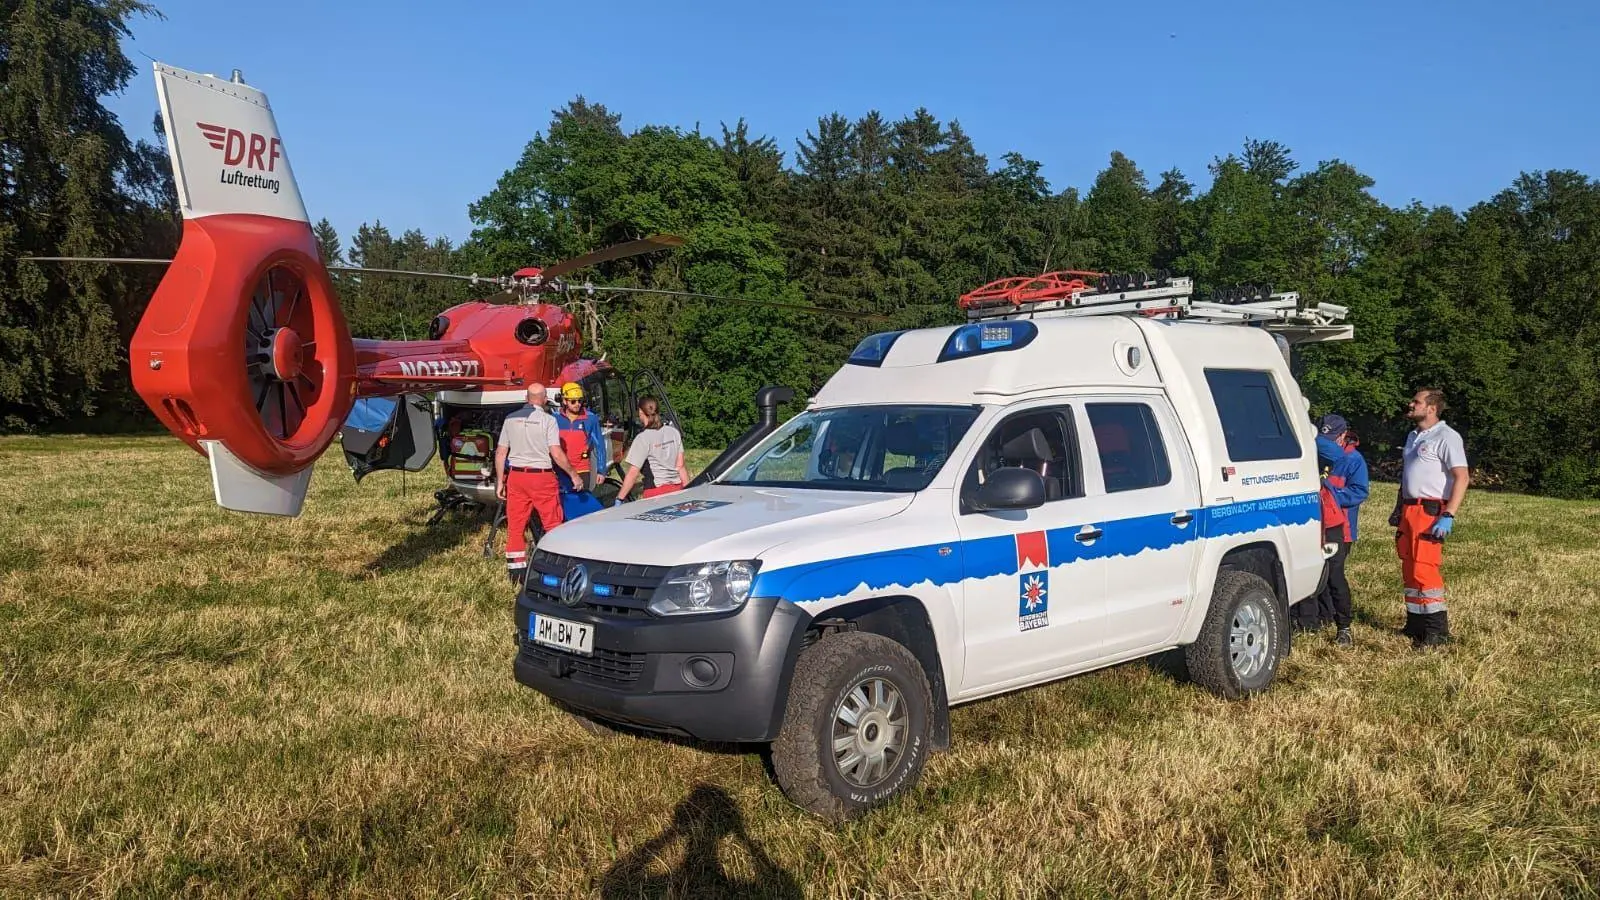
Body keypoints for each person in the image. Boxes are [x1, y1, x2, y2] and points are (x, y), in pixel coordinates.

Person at [1390, 387, 1470, 648]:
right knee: (1409, 568)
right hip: (1409, 510)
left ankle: (1437, 631)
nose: (1411, 404)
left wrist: (1449, 514)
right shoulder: (1413, 436)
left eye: (1417, 402)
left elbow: (1462, 477)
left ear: (1432, 408)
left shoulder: (1447, 437)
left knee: (1425, 569)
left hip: (1429, 511)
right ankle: (1415, 624)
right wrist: (1399, 508)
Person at [495, 382, 581, 585]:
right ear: (543, 399)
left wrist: (500, 481)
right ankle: (557, 567)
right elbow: (556, 453)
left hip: (517, 476)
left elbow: (500, 453)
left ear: (526, 398)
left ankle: (516, 573)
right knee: (552, 523)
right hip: (541, 476)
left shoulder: (510, 419)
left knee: (516, 526)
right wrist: (573, 474)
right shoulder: (548, 420)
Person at [1297, 414, 1369, 644]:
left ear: (1343, 435)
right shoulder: (1312, 452)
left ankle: (1342, 625)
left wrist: (1331, 495)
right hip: (1311, 522)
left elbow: (1358, 490)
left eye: (1331, 438)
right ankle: (1309, 622)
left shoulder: (1349, 458)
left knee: (1334, 577)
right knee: (1310, 572)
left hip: (1337, 524)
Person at [615, 396, 690, 502]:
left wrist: (620, 498)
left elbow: (633, 473)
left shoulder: (642, 438)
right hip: (677, 489)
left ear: (641, 412)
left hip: (655, 493)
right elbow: (681, 466)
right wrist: (688, 490)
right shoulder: (673, 432)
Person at [554, 382, 607, 520]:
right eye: (573, 401)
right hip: (560, 469)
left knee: (582, 503)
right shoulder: (554, 419)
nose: (577, 404)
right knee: (563, 503)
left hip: (582, 468)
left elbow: (599, 445)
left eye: (580, 401)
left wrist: (601, 470)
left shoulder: (590, 418)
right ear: (564, 401)